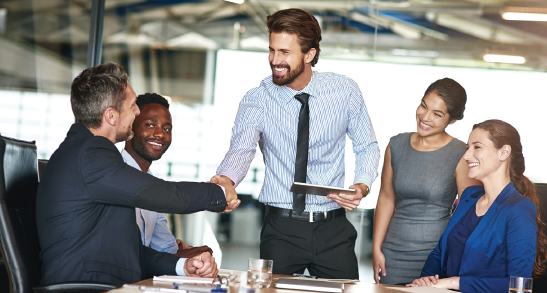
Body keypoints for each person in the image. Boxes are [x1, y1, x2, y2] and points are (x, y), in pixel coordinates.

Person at [212, 8, 380, 279]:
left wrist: (361, 184)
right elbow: (241, 150)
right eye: (271, 50)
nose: (274, 60)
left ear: (309, 54)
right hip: (281, 229)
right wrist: (227, 180)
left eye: (285, 53)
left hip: (334, 229)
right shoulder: (258, 98)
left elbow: (367, 145)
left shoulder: (344, 91)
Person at [36, 63, 239, 286]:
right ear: (111, 116)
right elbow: (162, 193)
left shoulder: (83, 152)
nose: (137, 111)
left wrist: (183, 266)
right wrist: (218, 192)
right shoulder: (91, 152)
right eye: (133, 105)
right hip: (85, 287)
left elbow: (126, 248)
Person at [408, 119, 547, 293]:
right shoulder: (469, 196)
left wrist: (454, 283)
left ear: (503, 153)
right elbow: (440, 251)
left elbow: (519, 287)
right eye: (468, 148)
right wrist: (426, 280)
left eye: (477, 147)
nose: (466, 155)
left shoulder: (519, 209)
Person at [372, 78, 480, 285]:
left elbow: (468, 214)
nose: (425, 117)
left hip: (434, 257)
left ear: (452, 120)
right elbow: (386, 198)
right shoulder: (396, 144)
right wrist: (376, 248)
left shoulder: (461, 154)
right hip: (392, 254)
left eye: (437, 114)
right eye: (423, 106)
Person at [122, 92, 213, 258]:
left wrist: (198, 253)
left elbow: (165, 249)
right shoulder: (115, 174)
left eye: (166, 129)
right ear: (130, 127)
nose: (160, 134)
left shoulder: (152, 186)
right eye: (150, 125)